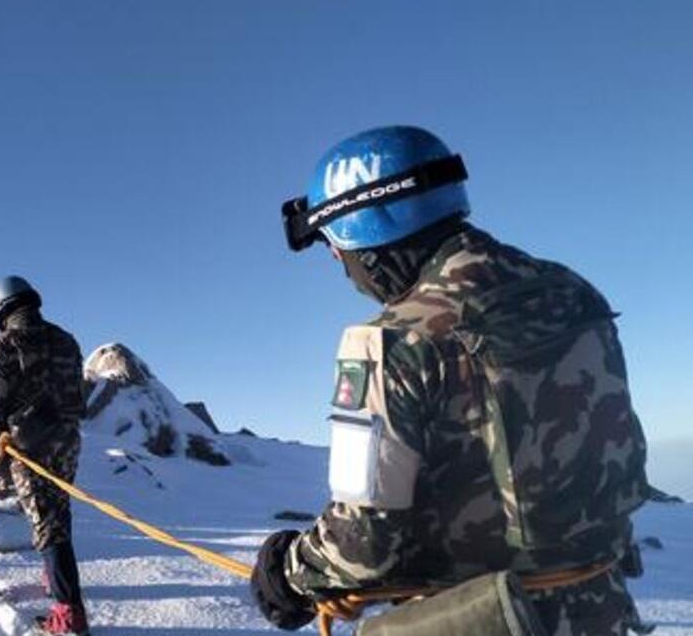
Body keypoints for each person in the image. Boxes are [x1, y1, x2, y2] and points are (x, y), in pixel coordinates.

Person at [254, 126, 650, 634]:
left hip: (481, 620)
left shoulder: (389, 341)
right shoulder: (572, 294)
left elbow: (363, 545)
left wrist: (289, 574)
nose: (338, 263)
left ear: (364, 235)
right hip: (603, 608)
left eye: (333, 246)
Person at [0, 276, 90, 636]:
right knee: (58, 510)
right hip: (68, 440)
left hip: (29, 446)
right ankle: (56, 581)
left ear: (0, 309)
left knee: (45, 524)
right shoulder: (66, 340)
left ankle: (69, 615)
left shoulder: (3, 344)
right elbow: (77, 397)